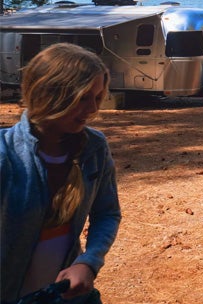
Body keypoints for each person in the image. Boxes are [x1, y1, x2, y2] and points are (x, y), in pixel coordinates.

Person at [1, 43, 121, 303]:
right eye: (83, 98)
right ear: (49, 93)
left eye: (97, 97)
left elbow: (107, 213)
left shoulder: (94, 148)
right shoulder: (5, 154)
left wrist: (88, 262)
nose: (93, 109)